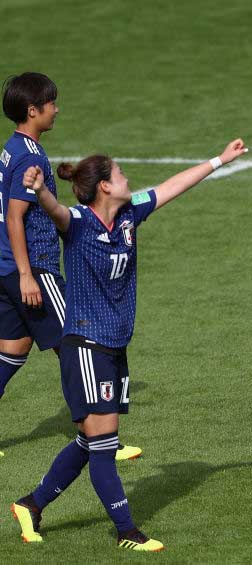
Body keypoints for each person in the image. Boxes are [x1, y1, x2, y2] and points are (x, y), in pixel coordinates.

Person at [11, 139, 247, 549]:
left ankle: (31, 504)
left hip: (115, 347)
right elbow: (55, 211)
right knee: (103, 446)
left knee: (90, 442)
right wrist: (40, 189)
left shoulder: (128, 215)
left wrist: (218, 160)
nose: (127, 178)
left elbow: (172, 186)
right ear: (104, 186)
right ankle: (127, 531)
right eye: (119, 174)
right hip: (85, 345)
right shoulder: (80, 223)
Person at [0, 72, 141, 459]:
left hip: (8, 268)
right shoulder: (29, 156)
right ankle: (101, 439)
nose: (57, 109)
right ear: (33, 111)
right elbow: (15, 218)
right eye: (51, 104)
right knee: (75, 344)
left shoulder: (13, 148)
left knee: (12, 348)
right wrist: (29, 275)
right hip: (33, 269)